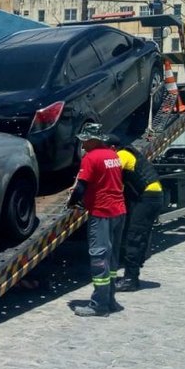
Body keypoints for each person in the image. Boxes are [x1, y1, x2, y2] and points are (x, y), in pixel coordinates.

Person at [66, 123, 126, 316]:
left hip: (102, 212)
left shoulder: (91, 158)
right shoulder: (113, 156)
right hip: (119, 210)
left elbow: (82, 186)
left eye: (84, 140)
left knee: (99, 256)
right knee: (112, 257)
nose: (82, 144)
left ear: (94, 140)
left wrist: (72, 202)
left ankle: (98, 304)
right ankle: (110, 300)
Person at [106, 135, 164, 292]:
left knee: (135, 236)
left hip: (147, 197)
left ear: (112, 148)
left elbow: (110, 174)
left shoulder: (122, 155)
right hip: (146, 196)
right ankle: (131, 274)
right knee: (133, 234)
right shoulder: (123, 153)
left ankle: (131, 279)